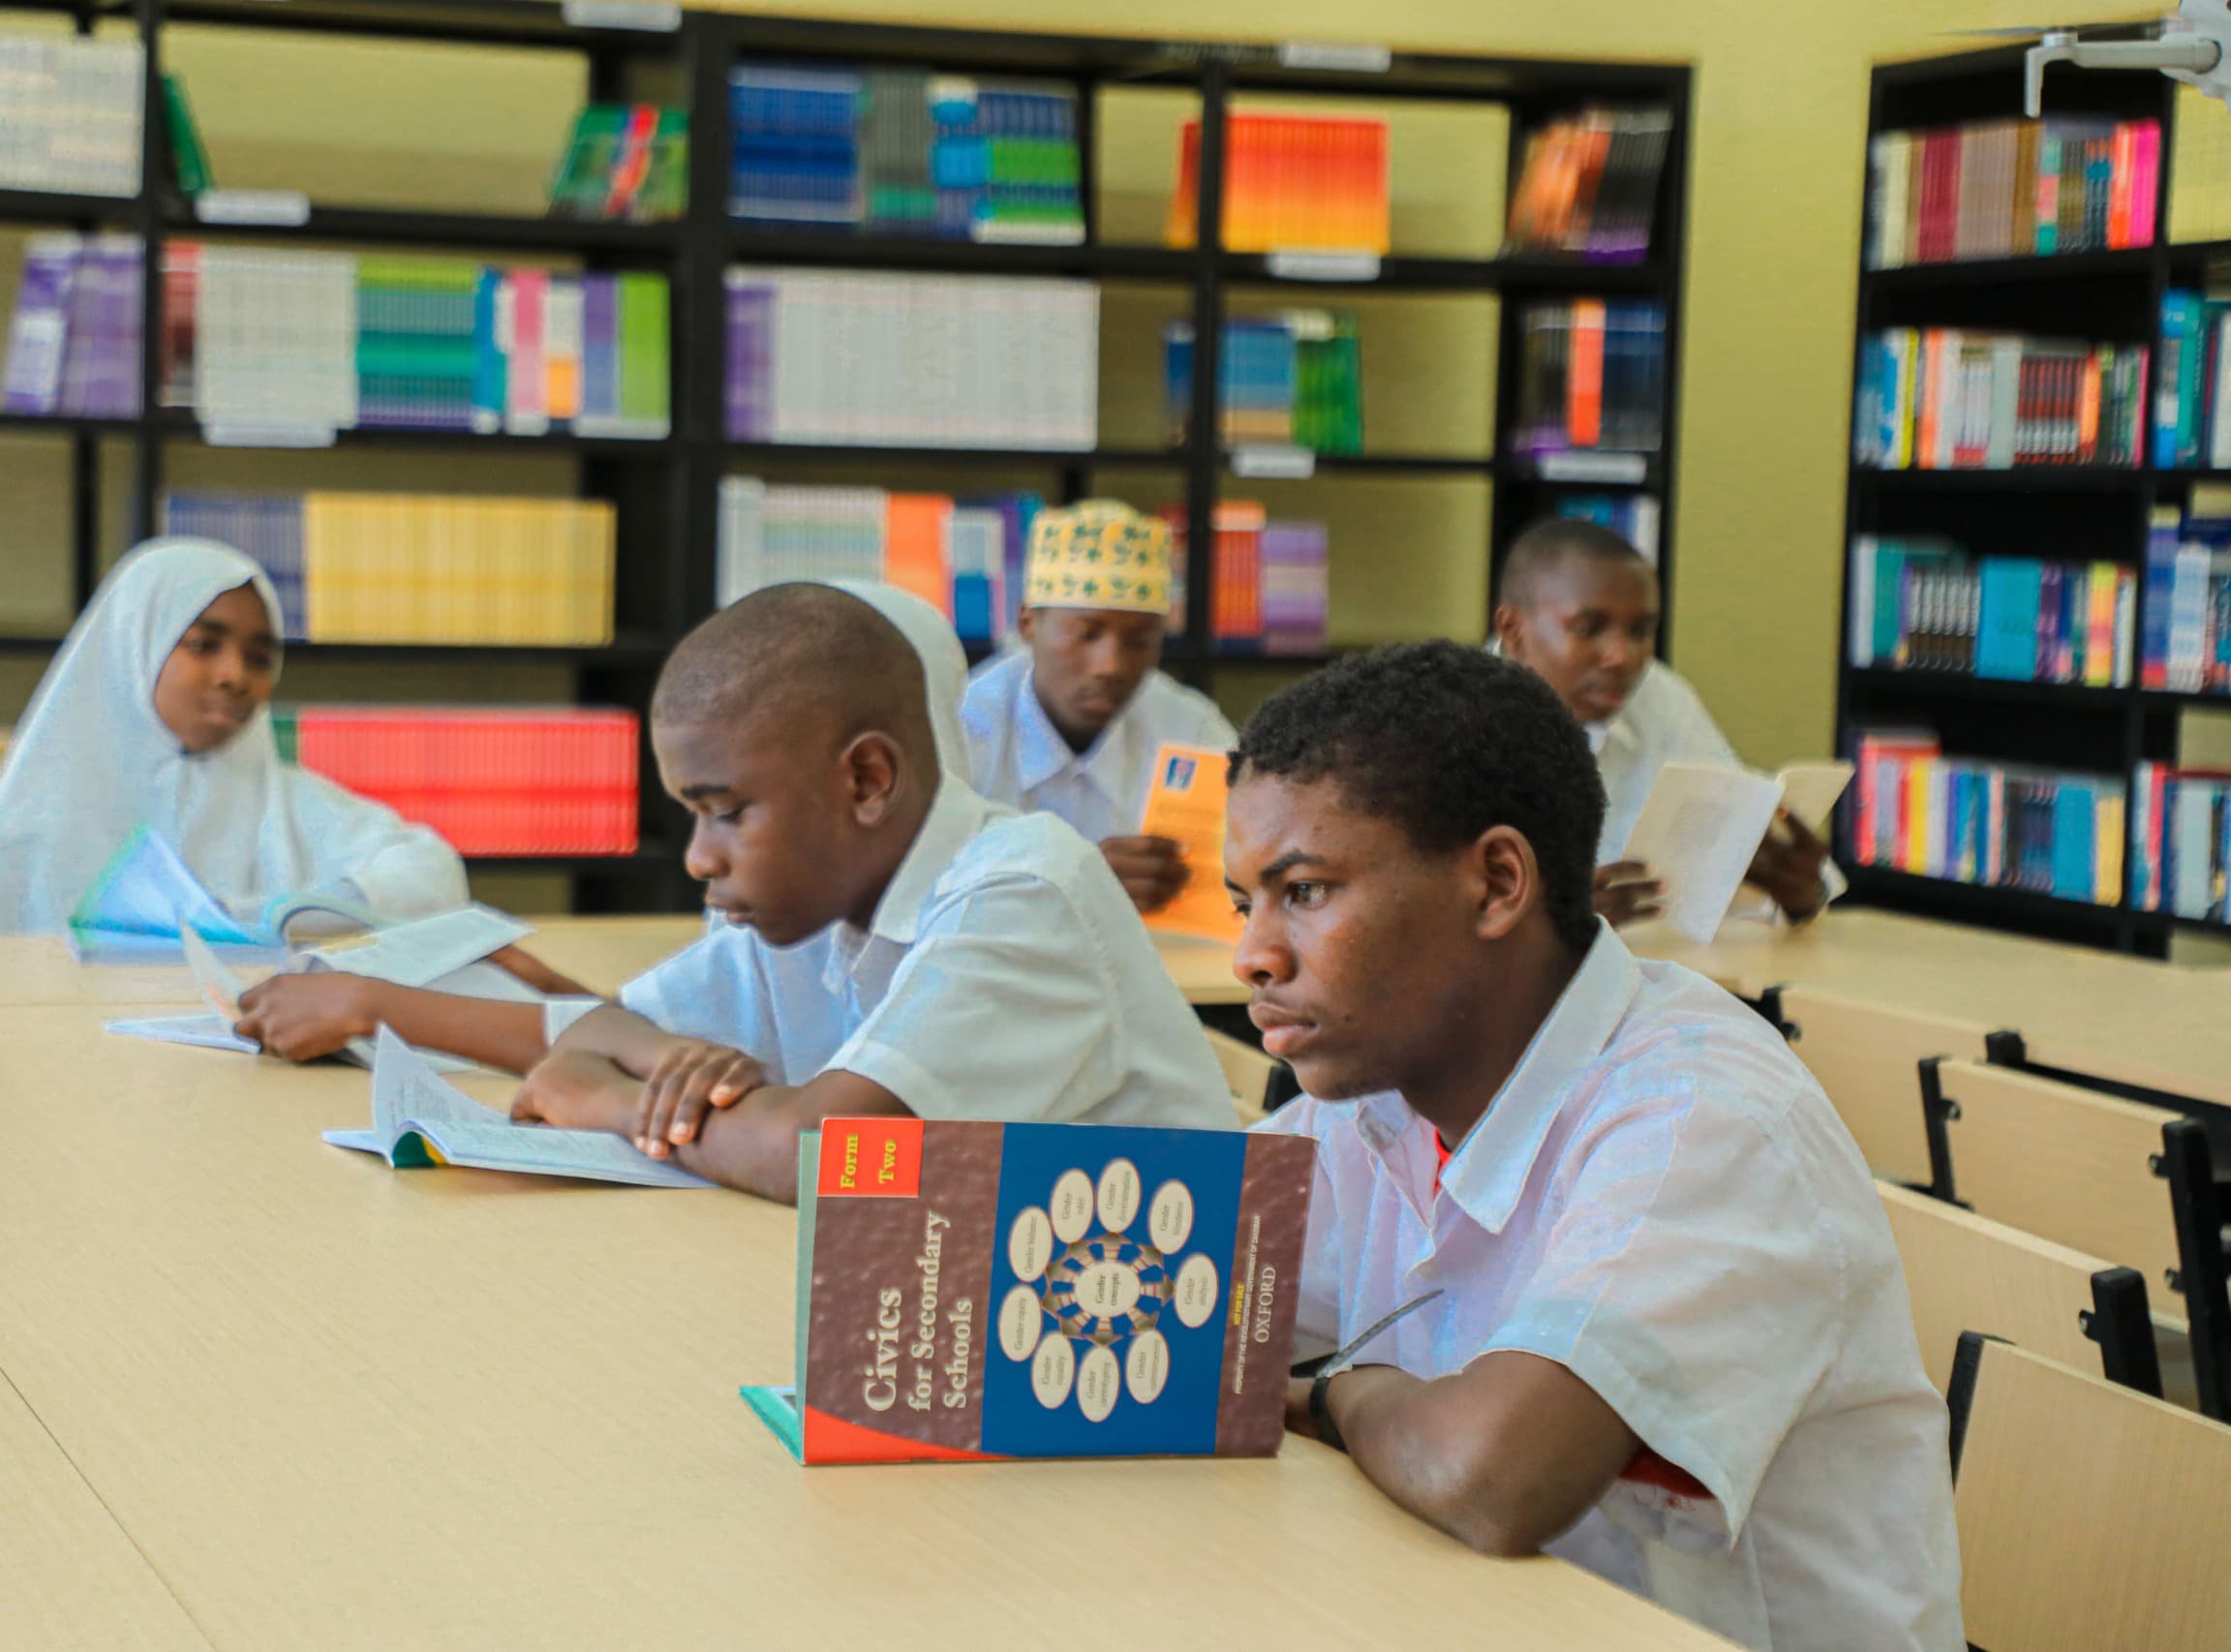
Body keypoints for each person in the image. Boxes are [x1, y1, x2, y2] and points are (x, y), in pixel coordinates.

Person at [1228, 642, 1961, 1652]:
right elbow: (1176, 1281)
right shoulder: (1377, 1098)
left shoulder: (1700, 1116)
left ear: (1495, 881)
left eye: (1303, 890)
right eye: (1245, 900)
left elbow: (1491, 1476)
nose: (1252, 954)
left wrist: (1340, 1396)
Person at [241, 582, 1236, 1204]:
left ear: (865, 780)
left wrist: (611, 1103)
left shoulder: (1022, 889)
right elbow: (596, 1029)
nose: (698, 858)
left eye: (724, 810)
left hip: (1183, 1355)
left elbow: (826, 1157)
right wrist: (678, 1070)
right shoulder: (809, 898)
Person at [0, 538, 477, 940]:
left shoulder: (287, 801)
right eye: (203, 645)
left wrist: (278, 914)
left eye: (260, 658)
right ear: (135, 646)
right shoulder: (40, 813)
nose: (234, 676)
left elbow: (434, 874)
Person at [1492, 517, 1840, 927]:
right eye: (1590, 628)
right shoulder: (1446, 723)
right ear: (1513, 630)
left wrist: (1801, 895)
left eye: (1640, 631)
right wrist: (1547, 924)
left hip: (1660, 974)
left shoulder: (1658, 697)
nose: (1622, 656)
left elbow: (1742, 851)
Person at [963, 501, 1238, 913]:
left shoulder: (1192, 731)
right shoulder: (962, 729)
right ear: (1027, 624)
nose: (1110, 666)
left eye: (1139, 640)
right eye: (1086, 634)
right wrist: (1074, 882)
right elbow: (922, 893)